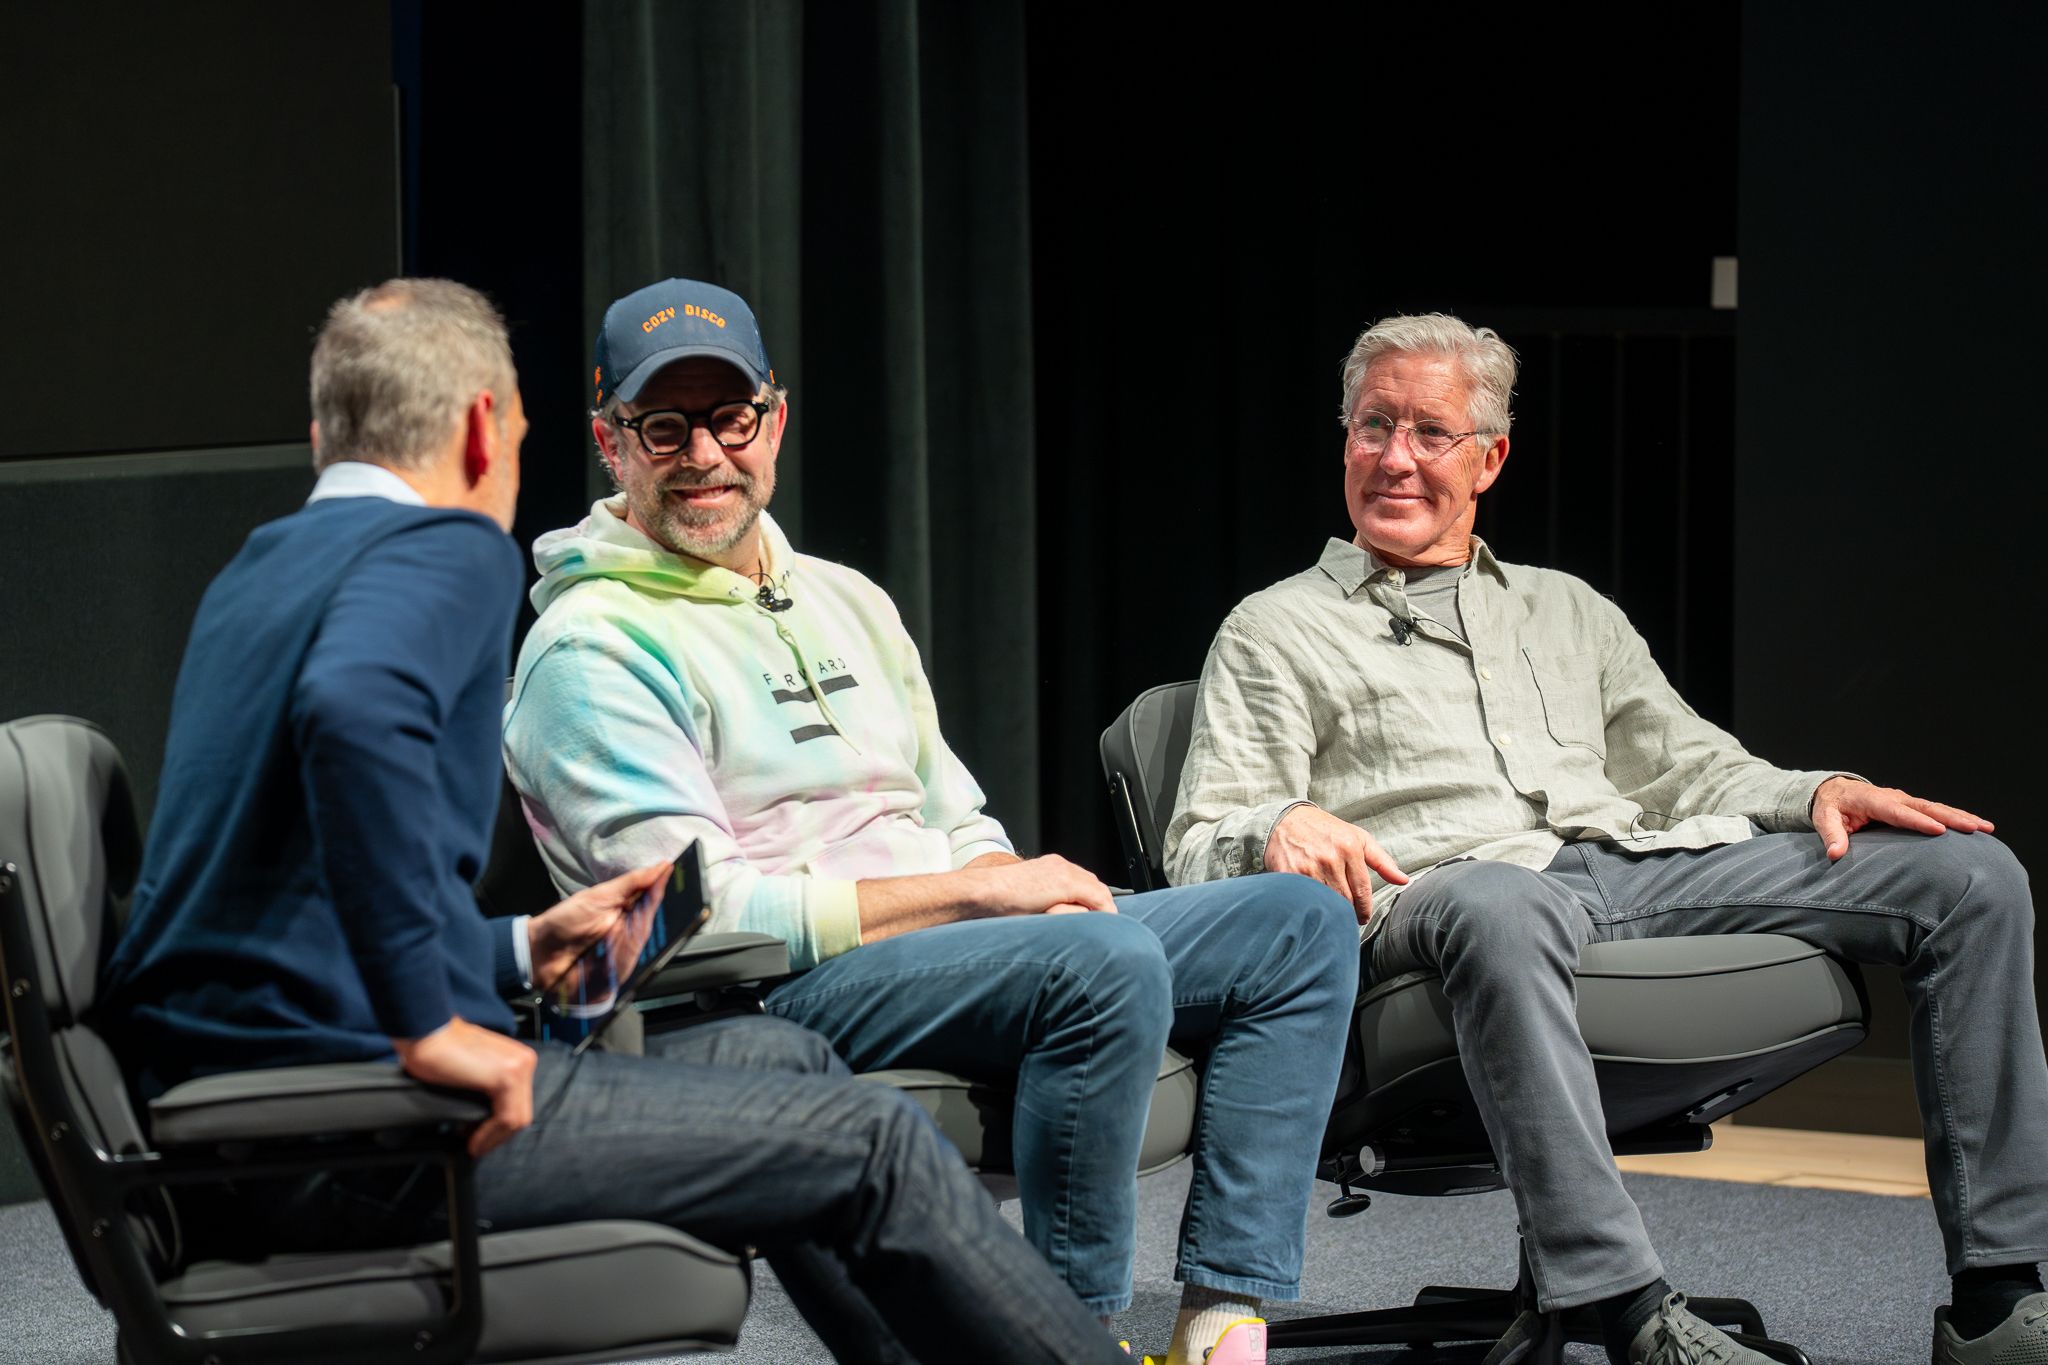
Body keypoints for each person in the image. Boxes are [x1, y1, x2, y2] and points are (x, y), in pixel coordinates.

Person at [95, 278, 1135, 1365]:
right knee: (871, 1140)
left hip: (225, 1127)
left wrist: (509, 948)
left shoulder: (260, 567)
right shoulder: (441, 549)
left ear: (323, 434)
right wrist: (432, 1023)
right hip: (353, 1137)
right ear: (485, 429)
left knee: (780, 1060)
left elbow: (281, 890)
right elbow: (352, 716)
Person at [501, 277, 1359, 1365]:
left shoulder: (844, 597)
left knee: (1295, 923)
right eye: (662, 427)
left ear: (773, 418)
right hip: (777, 982)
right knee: (1090, 960)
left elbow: (954, 812)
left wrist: (1000, 884)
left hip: (954, 945)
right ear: (608, 442)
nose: (704, 455)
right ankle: (1060, 1341)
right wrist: (984, 898)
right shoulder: (592, 649)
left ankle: (1221, 1327)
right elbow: (688, 914)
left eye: (728, 419)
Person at [1164, 311, 2048, 1365]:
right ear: (1343, 440)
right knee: (1502, 896)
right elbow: (1198, 839)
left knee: (1967, 876)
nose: (1394, 458)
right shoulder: (1276, 628)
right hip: (1441, 900)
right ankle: (1618, 1307)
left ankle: (1996, 1297)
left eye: (1427, 434)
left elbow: (1688, 765)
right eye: (1371, 428)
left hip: (1617, 870)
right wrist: (1276, 821)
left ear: (1488, 458)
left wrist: (1820, 788)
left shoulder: (1564, 610)